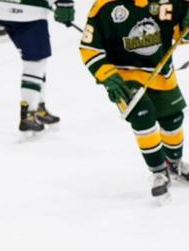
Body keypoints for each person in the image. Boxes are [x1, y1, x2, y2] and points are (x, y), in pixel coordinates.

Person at [80, 0, 189, 200]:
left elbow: (181, 34)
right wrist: (107, 76)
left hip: (161, 74)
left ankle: (174, 164)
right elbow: (89, 48)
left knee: (173, 119)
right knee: (142, 115)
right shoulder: (105, 7)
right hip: (124, 78)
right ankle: (158, 172)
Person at [0, 0, 75, 131]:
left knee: (35, 62)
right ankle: (29, 114)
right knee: (36, 61)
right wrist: (65, 4)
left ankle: (38, 107)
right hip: (29, 10)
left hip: (2, 9)